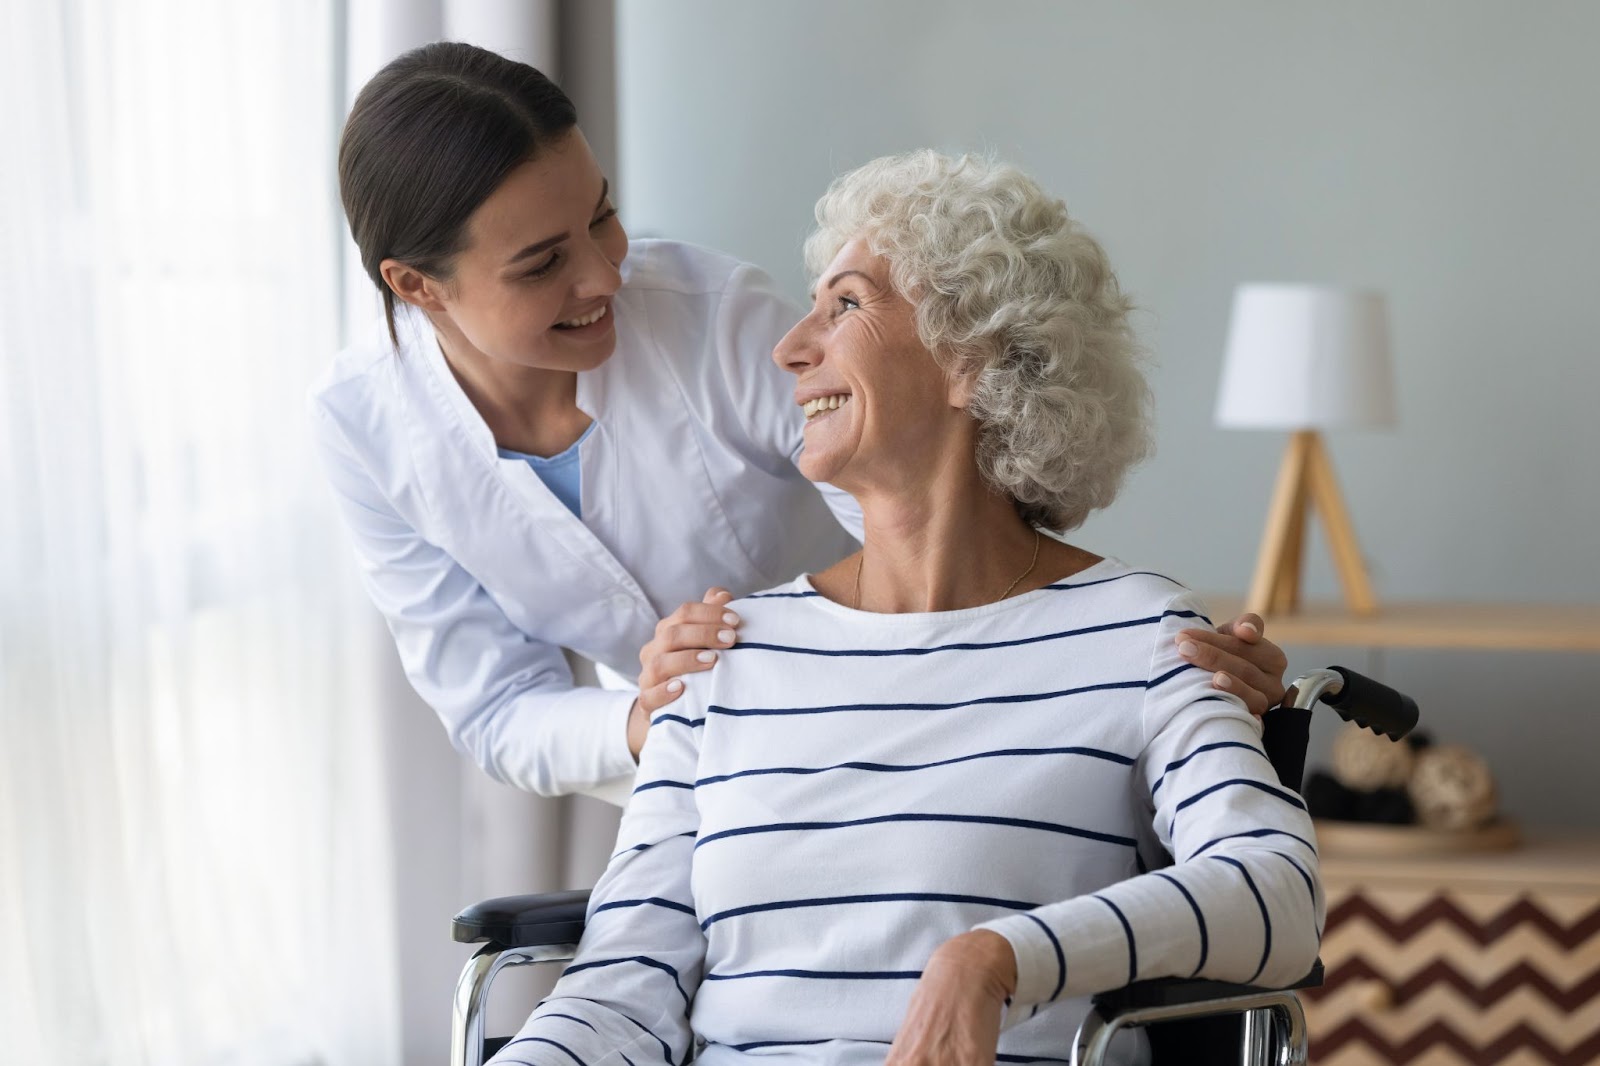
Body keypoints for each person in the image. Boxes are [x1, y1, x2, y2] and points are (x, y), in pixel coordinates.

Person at [485, 151, 1323, 1066]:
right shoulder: (728, 658)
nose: (791, 346)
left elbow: (1273, 893)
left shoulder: (1140, 638)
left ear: (975, 356)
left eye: (846, 304)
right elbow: (618, 993)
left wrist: (997, 959)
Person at [311, 42, 1291, 803]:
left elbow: (924, 517)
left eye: (604, 218)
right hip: (705, 788)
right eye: (541, 264)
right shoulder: (365, 430)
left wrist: (1146, 661)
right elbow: (495, 710)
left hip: (916, 714)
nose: (607, 275)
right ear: (415, 287)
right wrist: (646, 720)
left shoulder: (703, 314)